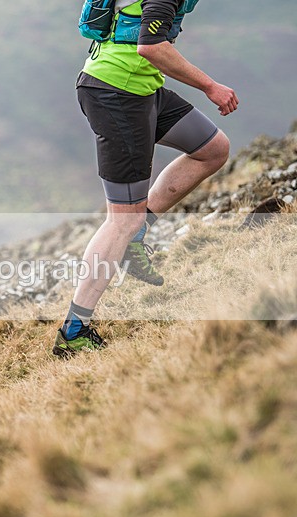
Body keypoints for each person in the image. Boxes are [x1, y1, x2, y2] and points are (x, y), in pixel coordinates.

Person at [54, 0, 238, 356]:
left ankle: (137, 232)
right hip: (116, 93)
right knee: (121, 219)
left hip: (142, 89)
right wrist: (210, 86)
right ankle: (74, 330)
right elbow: (151, 46)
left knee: (213, 148)